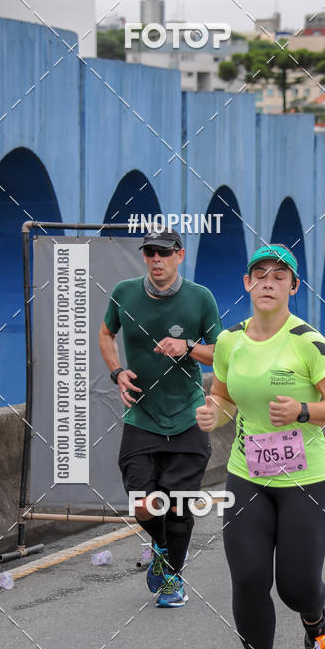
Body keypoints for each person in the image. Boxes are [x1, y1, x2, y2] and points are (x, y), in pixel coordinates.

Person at [196, 243, 325, 649]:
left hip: (305, 480)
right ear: (247, 284)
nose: (268, 282)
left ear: (293, 287)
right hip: (247, 476)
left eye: (279, 276)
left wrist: (304, 410)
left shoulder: (307, 341)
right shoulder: (229, 342)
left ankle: (314, 615)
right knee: (248, 578)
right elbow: (224, 398)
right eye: (260, 275)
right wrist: (213, 413)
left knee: (296, 586)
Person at [99, 228, 222, 607]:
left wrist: (187, 346)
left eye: (164, 253)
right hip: (142, 416)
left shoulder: (200, 298)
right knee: (143, 502)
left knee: (179, 504)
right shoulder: (124, 293)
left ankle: (172, 580)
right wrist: (117, 371)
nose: (156, 259)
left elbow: (221, 354)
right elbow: (106, 333)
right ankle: (162, 546)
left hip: (187, 415)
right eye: (150, 252)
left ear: (179, 256)